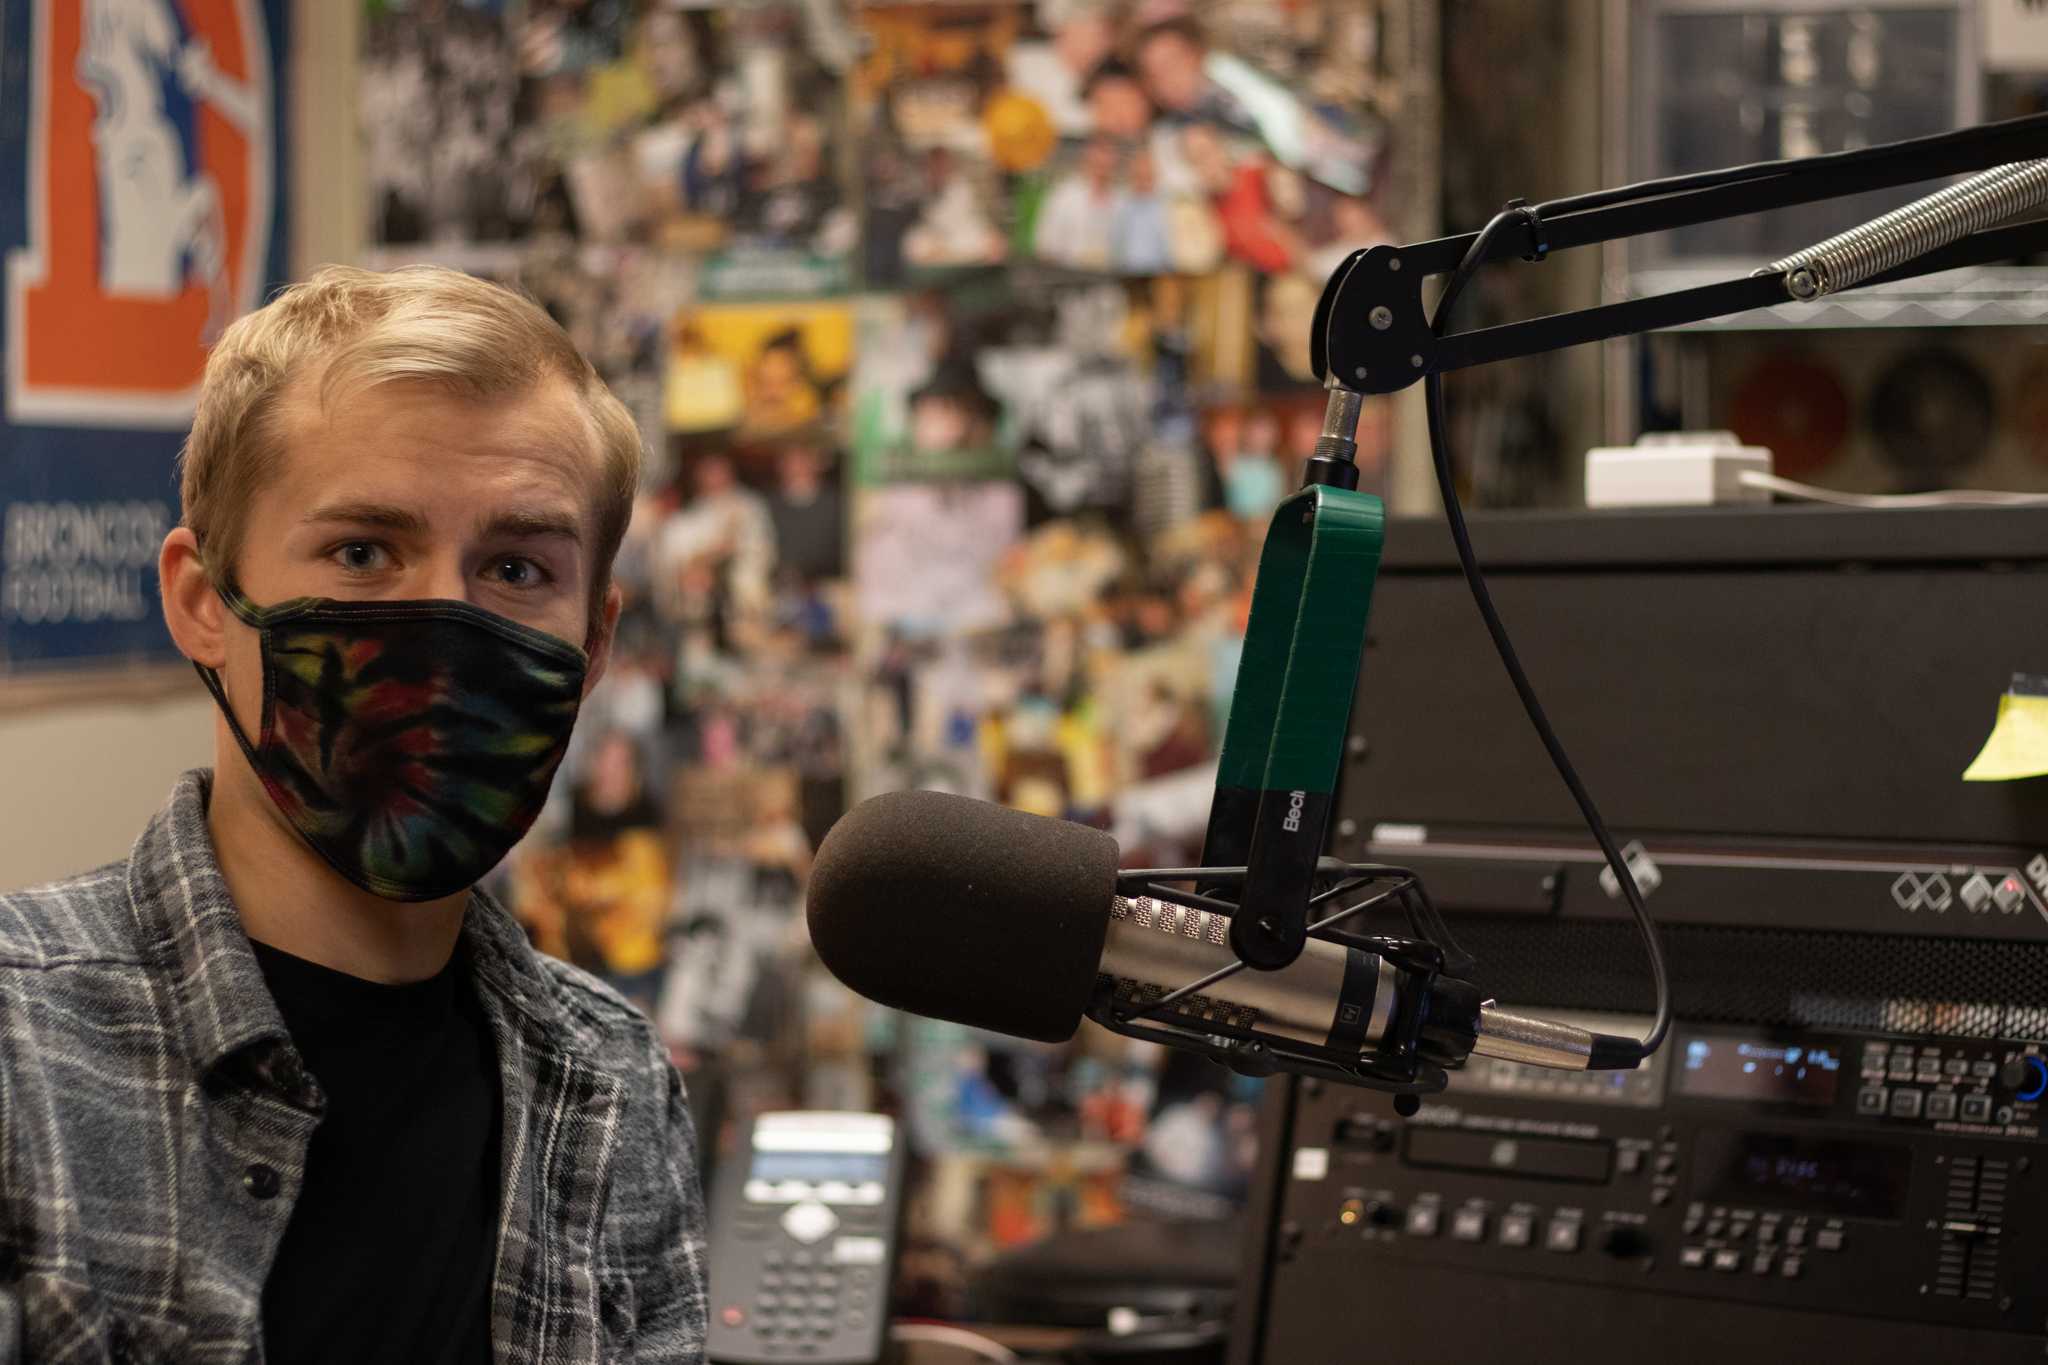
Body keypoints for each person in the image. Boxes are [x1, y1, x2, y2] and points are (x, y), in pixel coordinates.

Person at [0, 265, 707, 1362]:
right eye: (363, 552)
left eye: (516, 566)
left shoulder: (612, 1087)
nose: (443, 624)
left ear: (596, 640)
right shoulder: (22, 1052)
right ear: (201, 600)